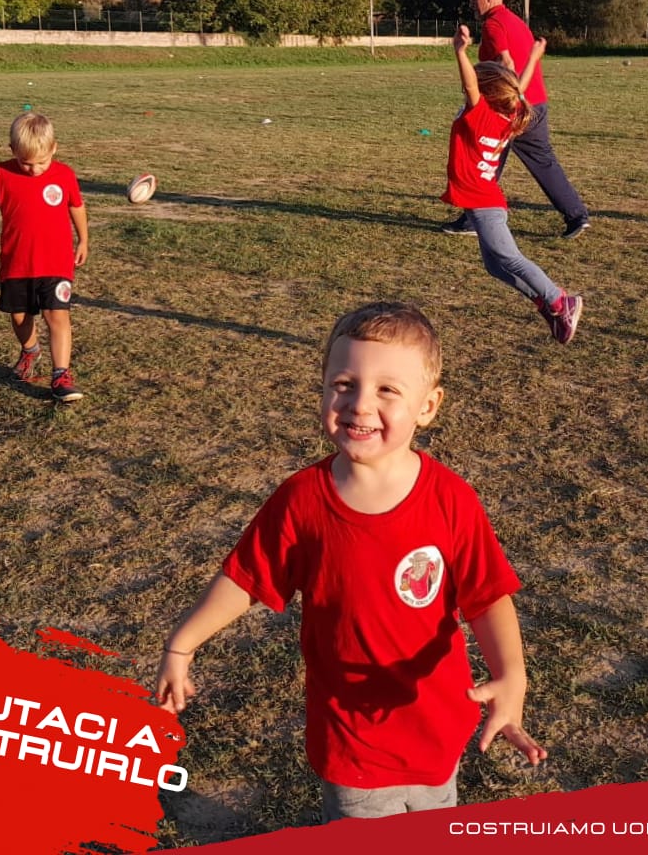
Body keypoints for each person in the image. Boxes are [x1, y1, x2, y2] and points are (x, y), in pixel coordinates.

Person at [157, 301, 545, 822]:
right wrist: (182, 644)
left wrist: (511, 677)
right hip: (353, 743)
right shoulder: (301, 499)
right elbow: (246, 578)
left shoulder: (452, 501)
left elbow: (487, 597)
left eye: (388, 390)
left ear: (428, 406)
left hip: (439, 728)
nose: (361, 405)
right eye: (344, 384)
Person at [443, 24, 583, 344]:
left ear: (485, 93)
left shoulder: (480, 115)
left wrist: (460, 52)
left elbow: (470, 87)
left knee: (509, 258)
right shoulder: (509, 113)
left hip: (484, 204)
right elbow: (519, 87)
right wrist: (533, 56)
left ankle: (561, 300)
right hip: (486, 203)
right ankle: (545, 304)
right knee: (495, 266)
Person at [0, 113, 89, 402]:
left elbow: (76, 206)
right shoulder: (0, 174)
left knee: (57, 315)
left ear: (54, 149)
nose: (35, 169)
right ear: (12, 150)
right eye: (26, 162)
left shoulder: (64, 175)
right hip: (17, 264)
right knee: (19, 316)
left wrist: (83, 239)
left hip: (56, 262)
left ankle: (61, 374)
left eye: (41, 162)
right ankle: (30, 350)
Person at [442, 0, 590, 240]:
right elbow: (524, 59)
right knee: (537, 161)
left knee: (483, 158)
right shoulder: (516, 21)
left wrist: (503, 96)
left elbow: (506, 62)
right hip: (535, 104)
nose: (472, 4)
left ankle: (473, 220)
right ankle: (577, 215)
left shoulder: (493, 24)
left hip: (510, 106)